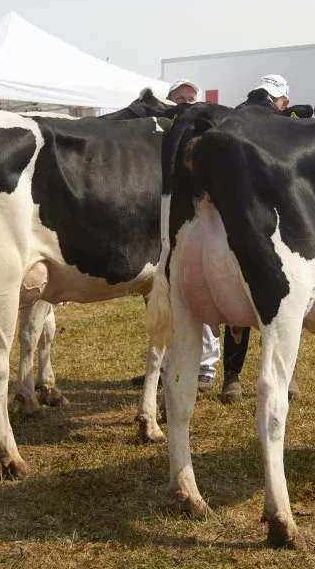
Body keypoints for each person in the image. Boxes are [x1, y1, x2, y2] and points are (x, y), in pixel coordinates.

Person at [130, 78, 221, 392]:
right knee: (161, 297)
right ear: (168, 100)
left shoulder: (204, 133)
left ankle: (206, 367)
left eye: (189, 97)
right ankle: (161, 366)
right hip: (162, 223)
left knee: (199, 294)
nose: (183, 102)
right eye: (178, 97)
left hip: (193, 224)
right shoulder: (159, 133)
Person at [219, 74, 300, 404]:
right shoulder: (282, 123)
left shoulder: (230, 118)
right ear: (280, 99)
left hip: (234, 219)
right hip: (275, 222)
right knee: (283, 297)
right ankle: (285, 374)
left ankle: (232, 379)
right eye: (285, 101)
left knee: (237, 296)